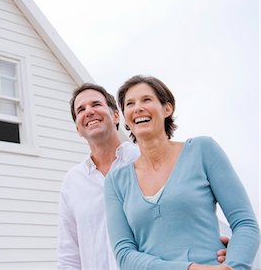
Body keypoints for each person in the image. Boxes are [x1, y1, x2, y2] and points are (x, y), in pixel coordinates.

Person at [58, 83, 229, 269]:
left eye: (96, 104)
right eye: (81, 109)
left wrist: (222, 245)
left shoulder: (144, 160)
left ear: (116, 116)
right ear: (77, 129)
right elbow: (69, 253)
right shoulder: (72, 182)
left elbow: (185, 209)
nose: (89, 111)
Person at [104, 75, 260, 270]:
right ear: (126, 117)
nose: (137, 108)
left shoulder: (203, 150)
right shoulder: (116, 181)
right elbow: (125, 255)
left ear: (167, 109)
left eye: (146, 100)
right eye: (130, 104)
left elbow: (245, 224)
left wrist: (233, 266)